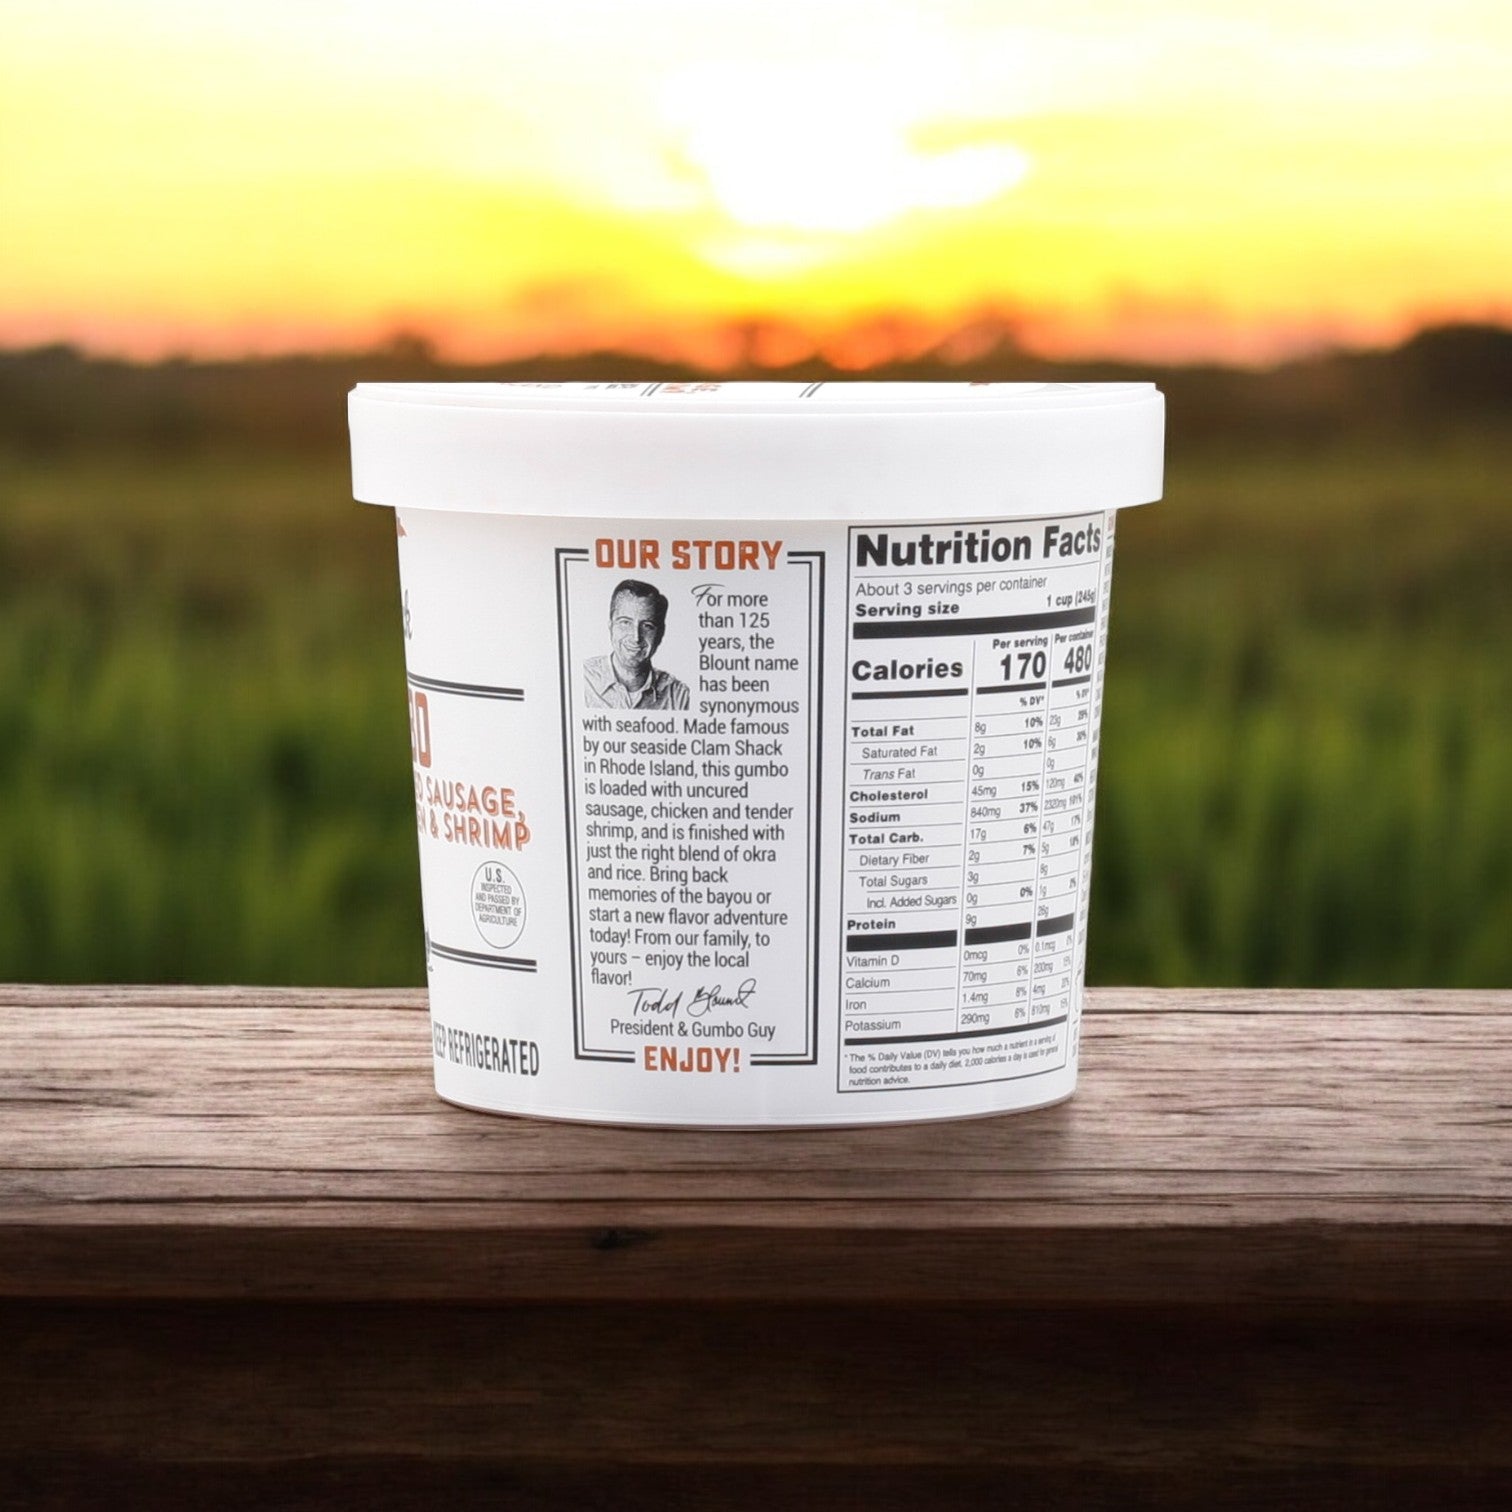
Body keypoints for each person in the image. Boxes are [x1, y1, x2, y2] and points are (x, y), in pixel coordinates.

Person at [582, 579, 690, 710]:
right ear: (610, 626)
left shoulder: (678, 696)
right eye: (625, 622)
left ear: (660, 634)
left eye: (647, 626)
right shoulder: (584, 679)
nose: (636, 637)